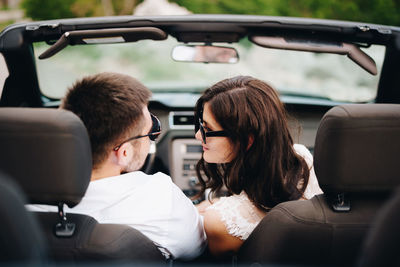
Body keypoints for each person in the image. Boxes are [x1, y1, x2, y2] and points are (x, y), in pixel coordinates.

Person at [29, 72, 206, 260]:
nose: (153, 137)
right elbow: (197, 248)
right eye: (151, 131)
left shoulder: (17, 199)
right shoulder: (162, 198)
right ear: (124, 153)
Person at [193, 75, 322, 258]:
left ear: (247, 140)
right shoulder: (301, 158)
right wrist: (217, 203)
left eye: (207, 129)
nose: (198, 135)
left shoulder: (221, 222)